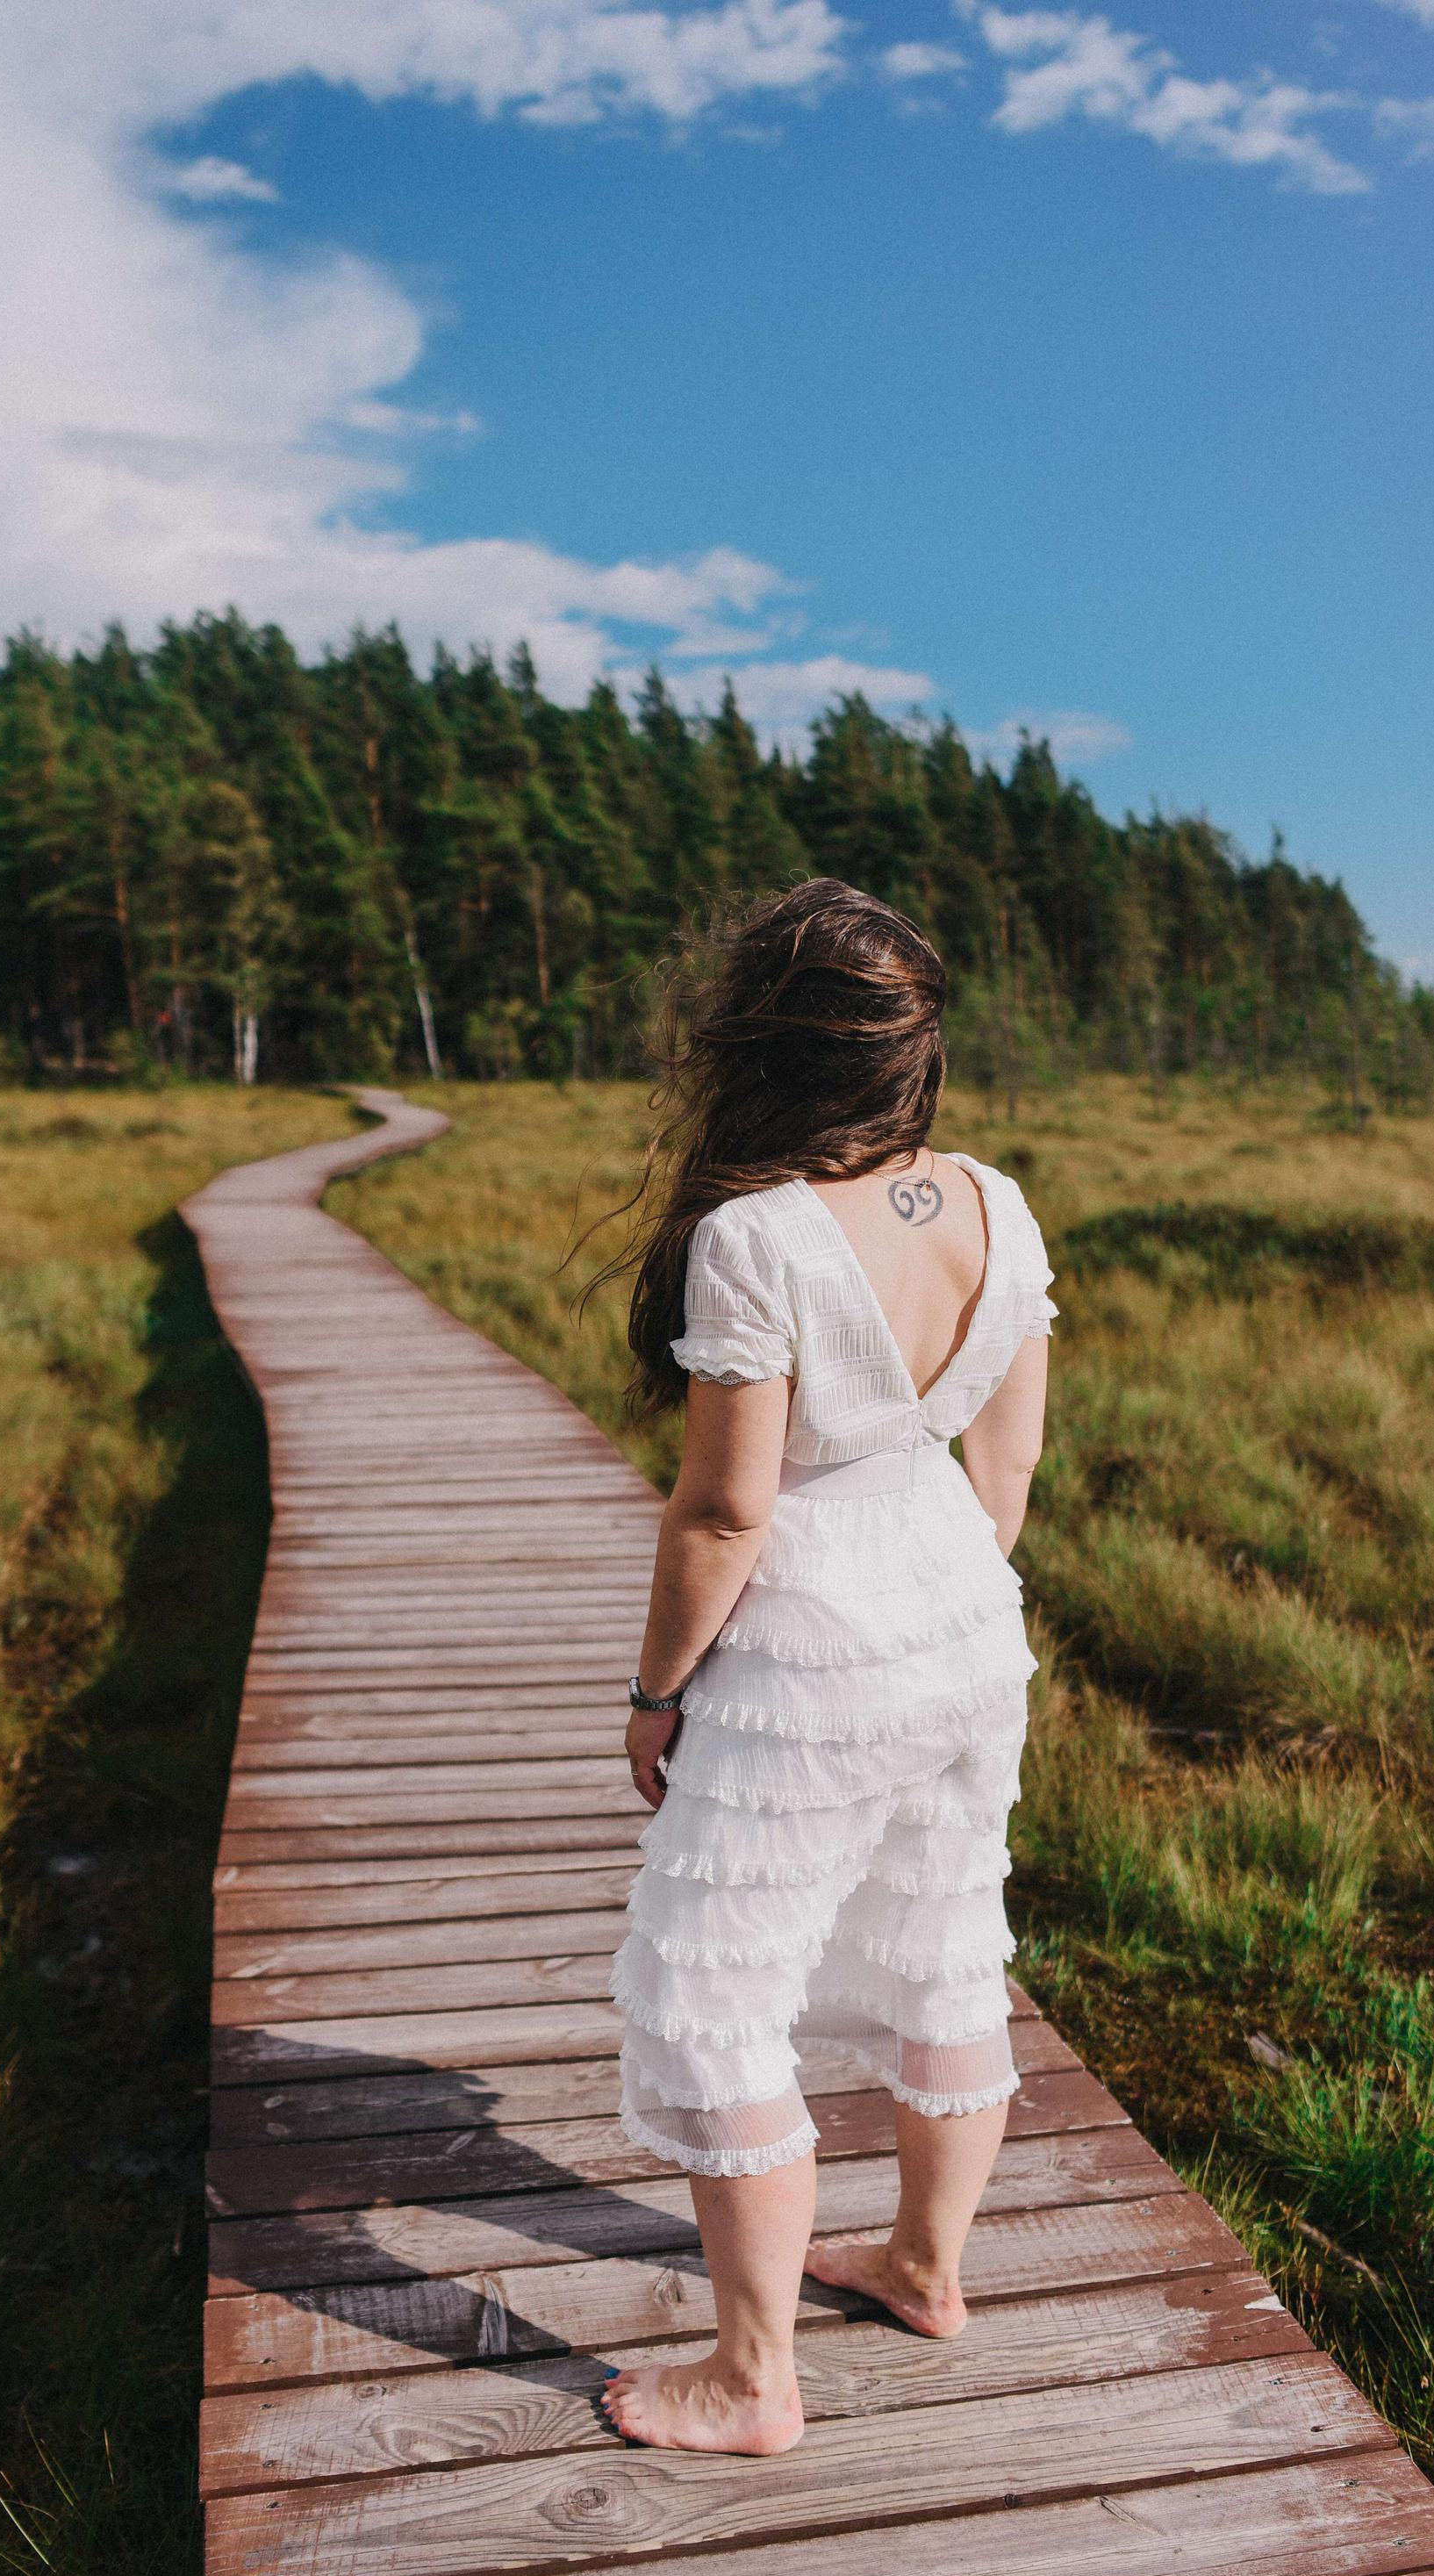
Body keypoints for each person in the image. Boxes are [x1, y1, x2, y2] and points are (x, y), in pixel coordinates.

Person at [599, 877, 1055, 2456]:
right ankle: (926, 2267)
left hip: (810, 1655)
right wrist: (940, 1605)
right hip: (967, 1625)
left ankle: (750, 2379)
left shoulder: (754, 1237)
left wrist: (659, 1693)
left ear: (764, 1048)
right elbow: (1007, 1471)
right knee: (947, 1945)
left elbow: (725, 1512)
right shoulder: (998, 1203)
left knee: (712, 1988)